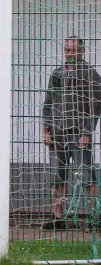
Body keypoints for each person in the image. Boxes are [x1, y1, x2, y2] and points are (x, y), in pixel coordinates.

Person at [42, 37, 101, 231]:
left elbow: (95, 107)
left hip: (78, 133)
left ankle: (95, 218)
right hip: (58, 132)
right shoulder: (57, 74)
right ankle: (59, 218)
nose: (69, 54)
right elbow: (48, 103)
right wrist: (46, 128)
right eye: (67, 50)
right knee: (58, 176)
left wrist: (87, 132)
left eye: (73, 50)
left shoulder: (90, 74)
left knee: (87, 176)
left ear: (82, 51)